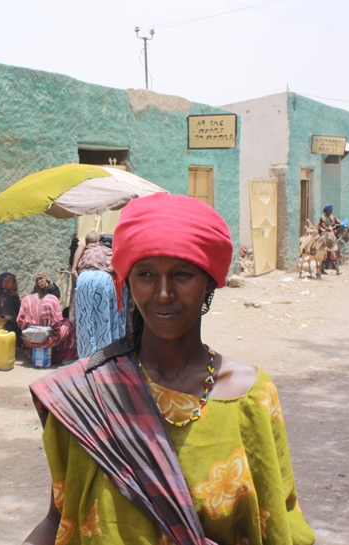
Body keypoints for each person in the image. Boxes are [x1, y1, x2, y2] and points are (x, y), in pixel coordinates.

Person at [24, 194, 315, 545]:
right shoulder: (85, 396)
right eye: (146, 274)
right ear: (128, 281)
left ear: (209, 281)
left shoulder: (250, 399)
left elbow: (282, 527)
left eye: (181, 274)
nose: (163, 293)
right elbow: (58, 519)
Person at [70, 232, 126, 358]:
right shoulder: (107, 250)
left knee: (85, 318)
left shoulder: (86, 248)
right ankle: (104, 355)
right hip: (103, 278)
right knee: (104, 318)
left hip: (84, 278)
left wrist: (74, 269)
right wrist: (114, 266)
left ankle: (86, 356)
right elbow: (121, 258)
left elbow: (80, 247)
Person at [17, 272, 76, 364]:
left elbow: (20, 321)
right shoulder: (52, 299)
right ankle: (68, 357)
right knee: (73, 325)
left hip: (29, 341)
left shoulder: (26, 299)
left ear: (36, 284)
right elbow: (57, 323)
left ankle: (31, 352)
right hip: (49, 340)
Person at [316, 204, 340, 273]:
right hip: (325, 234)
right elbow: (323, 226)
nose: (330, 212)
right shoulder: (323, 217)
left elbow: (336, 224)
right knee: (325, 251)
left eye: (331, 211)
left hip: (331, 234)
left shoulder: (331, 217)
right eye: (329, 211)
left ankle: (336, 268)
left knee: (336, 250)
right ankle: (322, 268)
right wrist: (328, 229)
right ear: (326, 211)